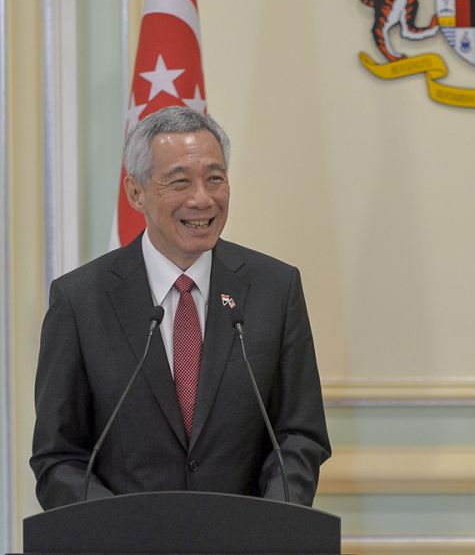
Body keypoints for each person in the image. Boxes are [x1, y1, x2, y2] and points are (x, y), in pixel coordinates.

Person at [31, 106, 331, 509]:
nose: (202, 199)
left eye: (215, 179)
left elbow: (298, 435)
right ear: (135, 192)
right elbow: (58, 456)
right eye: (180, 182)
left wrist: (273, 527)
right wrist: (119, 534)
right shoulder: (80, 300)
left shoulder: (274, 288)